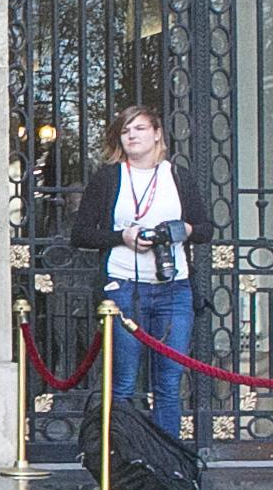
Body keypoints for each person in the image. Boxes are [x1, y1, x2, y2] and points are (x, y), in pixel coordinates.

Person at [70, 105, 213, 441]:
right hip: (123, 288)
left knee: (168, 380)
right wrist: (124, 236)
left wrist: (179, 230)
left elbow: (206, 229)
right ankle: (117, 461)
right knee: (123, 380)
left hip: (173, 289)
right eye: (125, 131)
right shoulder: (108, 178)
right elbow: (81, 235)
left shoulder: (177, 176)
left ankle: (166, 464)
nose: (132, 136)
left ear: (157, 133)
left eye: (139, 129)